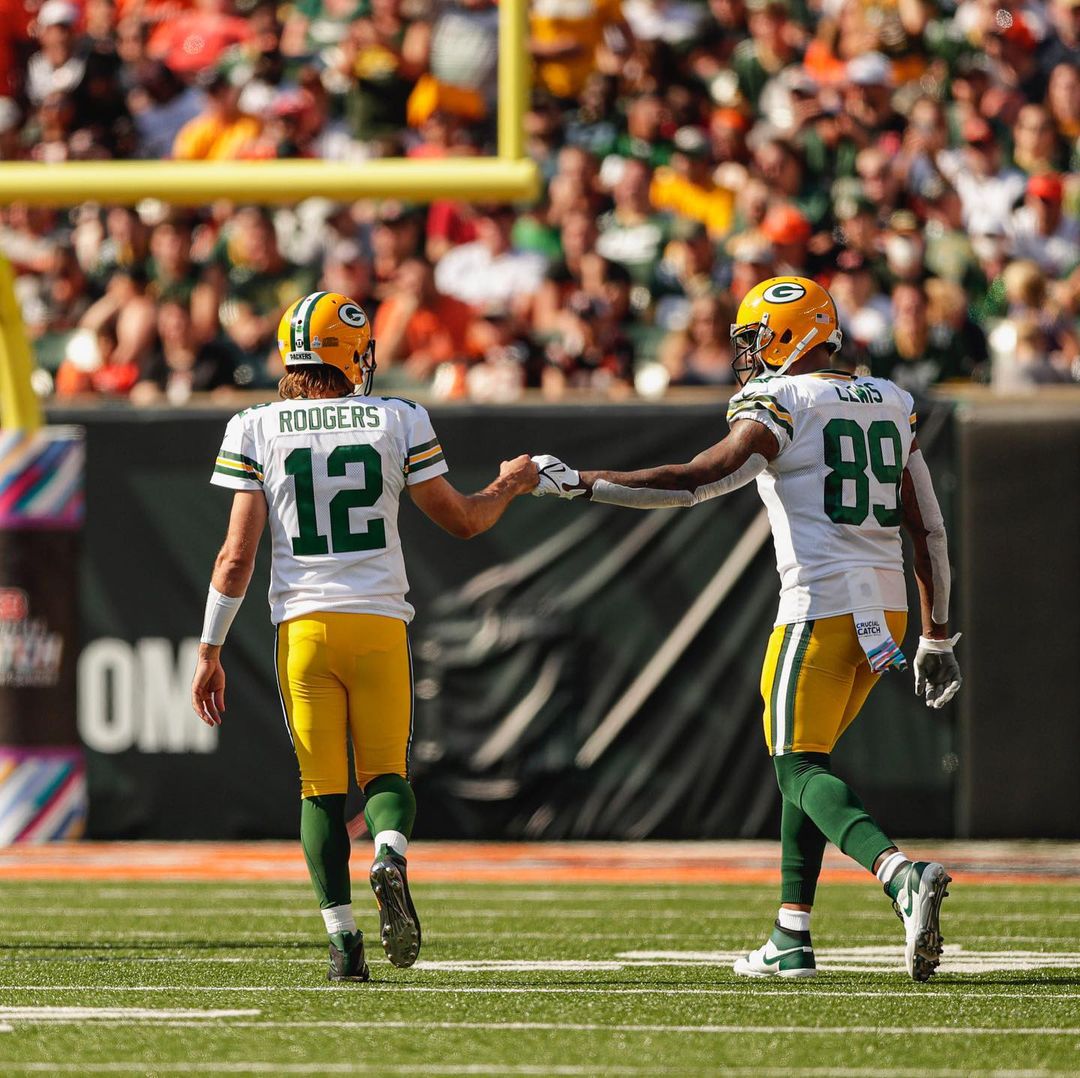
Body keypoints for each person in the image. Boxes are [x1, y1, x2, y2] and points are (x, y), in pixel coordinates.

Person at [529, 276, 962, 982]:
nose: (749, 352)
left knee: (795, 767)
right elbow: (929, 527)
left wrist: (582, 481)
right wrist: (938, 632)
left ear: (795, 333)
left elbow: (699, 479)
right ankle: (791, 934)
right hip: (884, 612)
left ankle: (898, 874)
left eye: (757, 337)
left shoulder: (784, 401)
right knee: (807, 762)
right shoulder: (894, 400)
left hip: (819, 606)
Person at [190, 290, 538, 982]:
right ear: (351, 352)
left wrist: (210, 648)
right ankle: (389, 851)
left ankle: (343, 942)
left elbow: (235, 556)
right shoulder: (399, 417)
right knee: (386, 775)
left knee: (319, 790)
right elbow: (464, 520)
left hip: (304, 629)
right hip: (378, 621)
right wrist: (510, 485)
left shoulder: (256, 424)